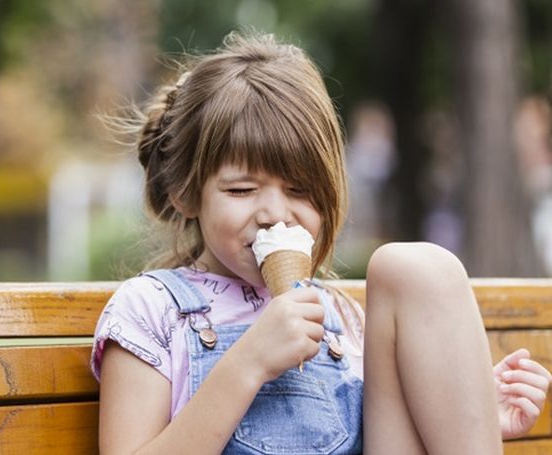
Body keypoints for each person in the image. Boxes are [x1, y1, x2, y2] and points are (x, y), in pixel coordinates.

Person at [90, 31, 551, 454]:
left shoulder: (342, 318)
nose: (274, 212)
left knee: (415, 267)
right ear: (186, 193)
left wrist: (470, 412)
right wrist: (247, 364)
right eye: (241, 190)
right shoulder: (152, 309)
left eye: (299, 190)